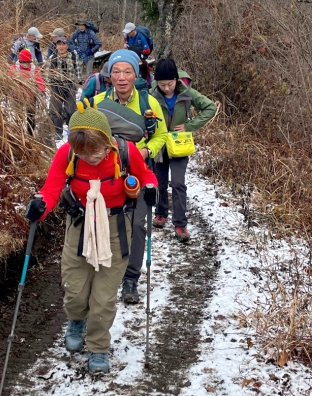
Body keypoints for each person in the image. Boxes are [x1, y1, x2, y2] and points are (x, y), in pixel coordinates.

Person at [26, 107, 158, 374]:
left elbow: (147, 177)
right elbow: (51, 188)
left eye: (95, 153)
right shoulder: (67, 154)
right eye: (83, 154)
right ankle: (76, 319)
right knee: (74, 289)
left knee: (104, 296)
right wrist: (40, 206)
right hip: (79, 224)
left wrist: (151, 189)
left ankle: (98, 347)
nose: (90, 158)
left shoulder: (125, 152)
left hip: (115, 225)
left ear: (107, 141)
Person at [94, 49, 168, 305]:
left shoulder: (149, 103)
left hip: (139, 173)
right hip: (106, 174)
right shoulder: (99, 103)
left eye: (127, 71)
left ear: (135, 74)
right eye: (116, 71)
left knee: (137, 225)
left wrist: (146, 150)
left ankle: (131, 278)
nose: (122, 77)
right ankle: (105, 271)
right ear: (109, 74)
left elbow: (162, 135)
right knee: (107, 222)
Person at [149, 58, 217, 243]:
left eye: (170, 83)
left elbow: (210, 107)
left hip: (179, 146)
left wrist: (190, 126)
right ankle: (161, 213)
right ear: (157, 82)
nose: (167, 88)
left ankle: (180, 224)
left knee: (178, 184)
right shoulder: (151, 95)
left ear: (176, 80)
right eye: (162, 84)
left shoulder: (187, 93)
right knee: (159, 183)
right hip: (160, 146)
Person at [44, 33, 82, 138]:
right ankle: (58, 132)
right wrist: (50, 86)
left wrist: (78, 82)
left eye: (63, 44)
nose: (61, 47)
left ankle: (71, 129)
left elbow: (78, 70)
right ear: (56, 46)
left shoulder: (73, 56)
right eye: (59, 44)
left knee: (71, 109)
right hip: (56, 85)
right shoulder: (53, 58)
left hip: (70, 85)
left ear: (67, 46)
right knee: (57, 110)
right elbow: (47, 73)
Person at [9, 48, 46, 136]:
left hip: (31, 96)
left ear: (30, 61)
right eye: (23, 62)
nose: (25, 64)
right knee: (19, 116)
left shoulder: (34, 69)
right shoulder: (14, 68)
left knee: (31, 116)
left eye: (27, 62)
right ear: (20, 61)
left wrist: (41, 90)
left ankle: (30, 134)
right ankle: (19, 133)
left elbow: (39, 80)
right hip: (17, 96)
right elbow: (9, 80)